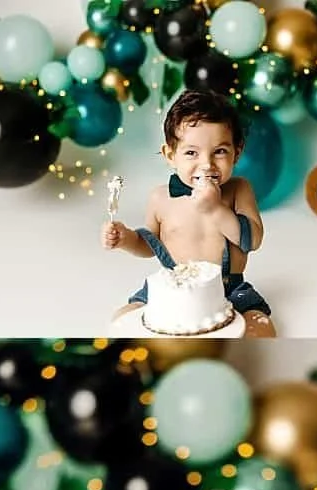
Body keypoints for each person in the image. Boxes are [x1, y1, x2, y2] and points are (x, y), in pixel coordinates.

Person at [102, 89, 275, 337]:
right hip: (173, 288)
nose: (206, 164)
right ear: (170, 155)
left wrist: (216, 209)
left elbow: (252, 240)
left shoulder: (239, 189)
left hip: (228, 288)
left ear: (237, 151)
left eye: (220, 151)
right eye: (191, 152)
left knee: (261, 327)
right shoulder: (161, 198)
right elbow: (150, 244)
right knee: (122, 320)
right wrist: (125, 239)